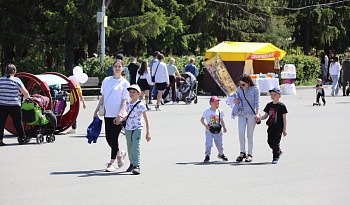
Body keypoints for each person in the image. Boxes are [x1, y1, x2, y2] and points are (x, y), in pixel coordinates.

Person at [94, 59, 129, 172]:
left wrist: (120, 115)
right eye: (116, 66)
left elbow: (124, 101)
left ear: (123, 68)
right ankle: (120, 153)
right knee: (108, 139)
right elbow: (103, 98)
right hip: (107, 114)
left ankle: (111, 162)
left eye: (120, 66)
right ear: (113, 68)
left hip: (118, 115)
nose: (118, 68)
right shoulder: (107, 80)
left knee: (114, 138)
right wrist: (96, 110)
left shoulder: (125, 83)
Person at [123, 84, 151, 175]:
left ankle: (137, 165)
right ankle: (131, 163)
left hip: (138, 127)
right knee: (129, 147)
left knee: (136, 146)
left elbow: (146, 120)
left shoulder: (141, 105)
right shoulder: (127, 103)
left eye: (134, 92)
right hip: (128, 128)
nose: (131, 94)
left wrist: (148, 133)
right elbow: (128, 115)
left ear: (138, 94)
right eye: (130, 92)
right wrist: (120, 119)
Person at [0, 64, 31, 146]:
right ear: (14, 71)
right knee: (17, 122)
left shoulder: (0, 80)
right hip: (14, 104)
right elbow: (25, 92)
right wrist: (28, 97)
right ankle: (22, 138)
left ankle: (0, 140)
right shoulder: (16, 80)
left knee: (1, 123)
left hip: (2, 104)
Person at [234, 74, 260, 162]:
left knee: (249, 135)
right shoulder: (239, 89)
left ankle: (249, 154)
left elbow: (257, 103)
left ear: (248, 83)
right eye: (240, 84)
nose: (241, 86)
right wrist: (235, 101)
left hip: (251, 114)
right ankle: (242, 152)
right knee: (241, 132)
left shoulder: (255, 89)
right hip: (242, 113)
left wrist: (258, 114)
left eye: (243, 85)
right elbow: (236, 99)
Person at [260, 88, 288, 164]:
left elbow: (284, 118)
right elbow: (265, 116)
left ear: (279, 96)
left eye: (275, 94)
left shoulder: (282, 106)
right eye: (271, 94)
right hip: (271, 126)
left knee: (276, 142)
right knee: (269, 142)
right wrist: (259, 118)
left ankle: (275, 157)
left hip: (279, 127)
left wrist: (285, 129)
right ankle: (278, 151)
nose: (273, 96)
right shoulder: (269, 105)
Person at [200, 96, 228, 163]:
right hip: (209, 130)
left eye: (218, 103)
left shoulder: (220, 111)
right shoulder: (207, 112)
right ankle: (207, 156)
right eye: (215, 103)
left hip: (218, 130)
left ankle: (221, 154)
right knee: (208, 144)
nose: (217, 105)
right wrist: (206, 125)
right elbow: (202, 120)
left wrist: (224, 127)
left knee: (219, 144)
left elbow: (222, 120)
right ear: (210, 103)